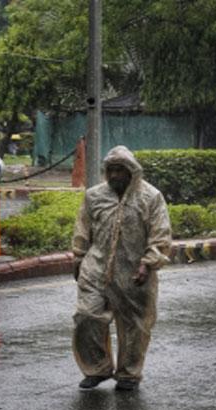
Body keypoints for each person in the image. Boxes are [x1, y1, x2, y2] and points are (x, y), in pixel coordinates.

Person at [71, 145, 172, 391]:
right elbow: (82, 230)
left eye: (120, 170)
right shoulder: (94, 196)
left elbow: (160, 236)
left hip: (135, 271)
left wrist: (148, 264)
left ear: (132, 171)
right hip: (96, 267)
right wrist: (78, 258)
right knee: (87, 316)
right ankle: (97, 368)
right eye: (111, 170)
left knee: (135, 326)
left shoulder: (151, 197)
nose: (115, 175)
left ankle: (128, 374)